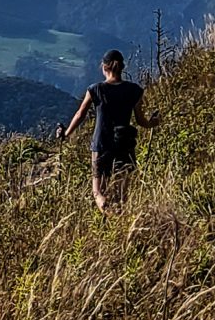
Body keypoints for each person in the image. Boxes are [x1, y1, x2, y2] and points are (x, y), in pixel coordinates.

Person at [61, 51, 160, 210]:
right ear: (121, 67)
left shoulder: (96, 89)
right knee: (122, 194)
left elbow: (80, 114)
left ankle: (109, 214)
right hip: (124, 143)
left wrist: (66, 133)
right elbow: (141, 120)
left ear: (104, 67)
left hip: (101, 144)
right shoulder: (134, 90)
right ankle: (120, 220)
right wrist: (152, 123)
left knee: (98, 192)